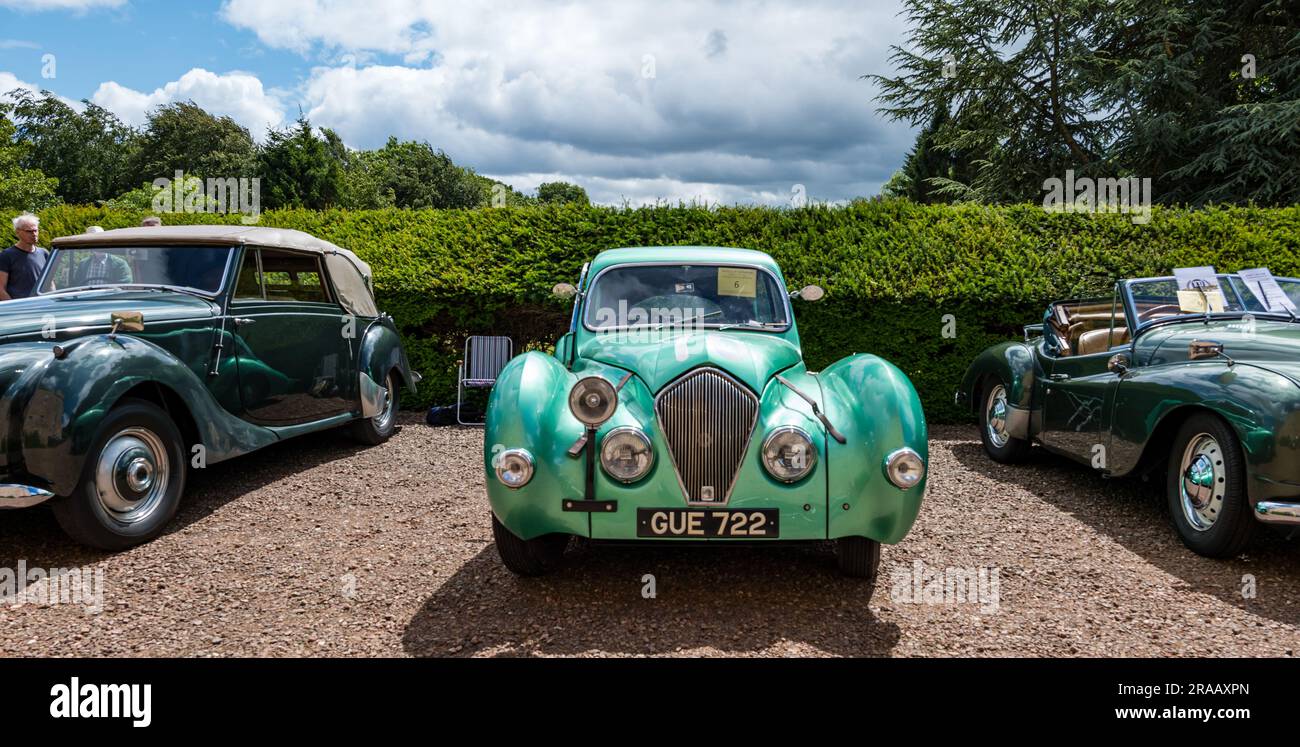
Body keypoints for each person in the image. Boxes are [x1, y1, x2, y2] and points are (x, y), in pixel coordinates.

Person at [0, 213, 50, 301]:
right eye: (29, 231)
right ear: (17, 232)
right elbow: (0, 289)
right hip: (19, 308)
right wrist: (13, 308)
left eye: (36, 230)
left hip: (42, 306)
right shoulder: (6, 255)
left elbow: (50, 282)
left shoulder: (44, 253)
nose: (34, 234)